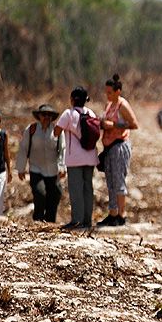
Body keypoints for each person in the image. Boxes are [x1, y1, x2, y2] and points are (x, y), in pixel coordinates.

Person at [55, 86, 99, 230]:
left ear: (73, 99)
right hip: (90, 156)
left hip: (74, 158)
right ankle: (87, 221)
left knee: (76, 190)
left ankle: (77, 221)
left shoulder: (68, 114)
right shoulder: (91, 113)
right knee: (88, 188)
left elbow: (56, 132)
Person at [98, 74, 139, 226]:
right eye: (106, 92)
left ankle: (122, 214)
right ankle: (113, 212)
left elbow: (133, 124)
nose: (107, 95)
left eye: (110, 92)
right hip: (109, 146)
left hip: (119, 145)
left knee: (118, 179)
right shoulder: (109, 105)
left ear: (118, 91)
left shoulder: (123, 105)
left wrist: (114, 125)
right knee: (110, 180)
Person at [16, 103, 66, 223]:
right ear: (39, 116)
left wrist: (62, 167)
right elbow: (23, 148)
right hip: (36, 169)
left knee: (55, 195)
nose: (46, 117)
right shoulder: (31, 130)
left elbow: (62, 149)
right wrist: (21, 168)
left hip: (53, 171)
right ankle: (38, 221)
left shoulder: (57, 131)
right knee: (40, 193)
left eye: (49, 115)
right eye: (44, 114)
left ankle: (50, 222)